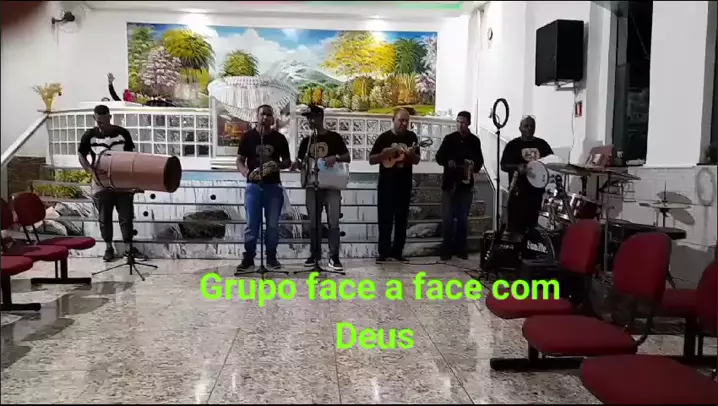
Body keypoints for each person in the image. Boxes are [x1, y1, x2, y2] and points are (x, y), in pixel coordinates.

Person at [77, 104, 143, 262]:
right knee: (104, 217)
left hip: (122, 181)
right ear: (95, 119)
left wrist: (133, 180)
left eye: (104, 121)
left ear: (110, 118)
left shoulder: (122, 133)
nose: (101, 124)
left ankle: (128, 249)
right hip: (101, 182)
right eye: (98, 121)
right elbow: (81, 154)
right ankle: (108, 248)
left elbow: (131, 156)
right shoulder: (89, 136)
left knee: (126, 216)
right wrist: (90, 171)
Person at [291, 105, 350, 271]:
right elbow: (302, 161)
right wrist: (297, 164)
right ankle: (314, 255)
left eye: (312, 117)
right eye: (308, 118)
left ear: (320, 117)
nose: (310, 121)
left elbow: (347, 157)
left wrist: (335, 157)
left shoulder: (334, 137)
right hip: (312, 185)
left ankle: (334, 257)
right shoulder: (307, 141)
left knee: (333, 221)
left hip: (331, 185)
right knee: (313, 222)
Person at [236, 105, 291, 272]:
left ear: (272, 118)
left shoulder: (279, 138)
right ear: (257, 116)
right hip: (253, 186)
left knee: (273, 225)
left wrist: (276, 165)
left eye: (268, 115)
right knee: (252, 224)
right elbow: (240, 160)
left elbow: (287, 162)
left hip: (273, 186)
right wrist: (245, 172)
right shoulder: (248, 137)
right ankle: (249, 258)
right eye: (262, 114)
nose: (265, 117)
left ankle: (271, 257)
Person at [369, 108, 421, 263]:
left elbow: (416, 160)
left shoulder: (412, 137)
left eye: (406, 121)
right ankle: (383, 252)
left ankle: (398, 252)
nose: (404, 123)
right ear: (393, 120)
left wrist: (411, 154)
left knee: (401, 221)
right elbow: (371, 159)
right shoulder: (384, 138)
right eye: (401, 120)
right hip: (386, 185)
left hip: (404, 185)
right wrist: (386, 154)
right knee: (385, 220)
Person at [435, 111, 484, 261]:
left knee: (462, 218)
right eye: (458, 122)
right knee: (448, 218)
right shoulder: (449, 139)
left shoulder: (474, 141)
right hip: (449, 183)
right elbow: (439, 157)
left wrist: (472, 165)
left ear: (468, 123)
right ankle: (447, 248)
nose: (460, 125)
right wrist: (447, 161)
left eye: (463, 122)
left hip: (465, 184)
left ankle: (461, 248)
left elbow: (479, 162)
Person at [500, 115, 553, 240]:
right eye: (526, 126)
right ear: (520, 128)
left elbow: (552, 161)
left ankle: (531, 246)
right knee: (516, 227)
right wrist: (517, 167)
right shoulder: (513, 145)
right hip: (518, 192)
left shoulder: (542, 144)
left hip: (537, 192)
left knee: (533, 226)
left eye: (531, 126)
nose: (529, 128)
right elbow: (503, 165)